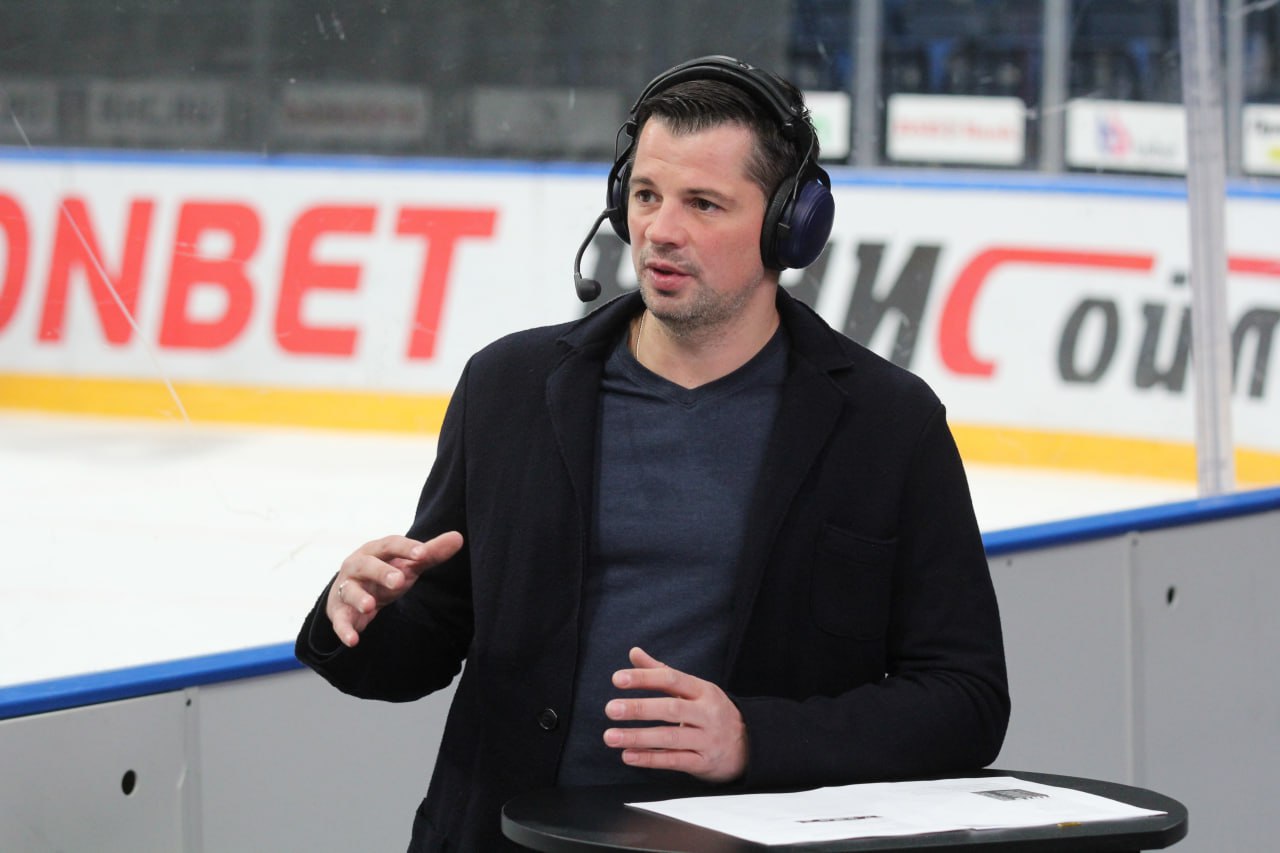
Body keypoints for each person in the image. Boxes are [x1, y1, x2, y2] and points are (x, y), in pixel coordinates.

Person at [296, 55, 1009, 852]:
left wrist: (754, 737)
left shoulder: (889, 425)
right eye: (645, 195)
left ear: (790, 225)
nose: (661, 230)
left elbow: (966, 699)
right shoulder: (507, 388)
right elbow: (430, 637)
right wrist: (359, 616)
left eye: (703, 203)